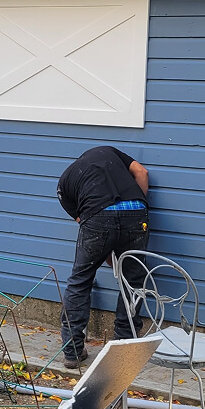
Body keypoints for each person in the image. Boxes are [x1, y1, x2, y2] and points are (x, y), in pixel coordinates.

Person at [57, 145, 150, 368]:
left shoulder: (64, 185)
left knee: (80, 280)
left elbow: (91, 225)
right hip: (136, 213)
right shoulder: (108, 151)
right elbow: (142, 173)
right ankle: (124, 348)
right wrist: (137, 211)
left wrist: (107, 251)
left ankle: (73, 352)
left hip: (98, 218)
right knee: (132, 282)